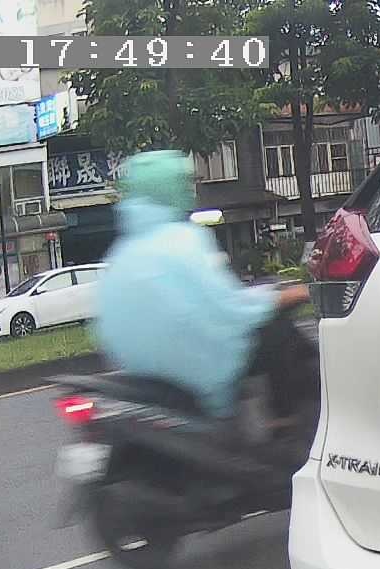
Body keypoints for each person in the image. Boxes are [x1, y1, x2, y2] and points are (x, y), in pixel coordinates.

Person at [95, 150, 310, 423]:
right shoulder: (184, 239)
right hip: (195, 376)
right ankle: (287, 424)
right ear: (169, 188)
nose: (191, 190)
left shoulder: (121, 254)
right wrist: (288, 296)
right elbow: (233, 309)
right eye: (185, 183)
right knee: (278, 331)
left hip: (145, 380)